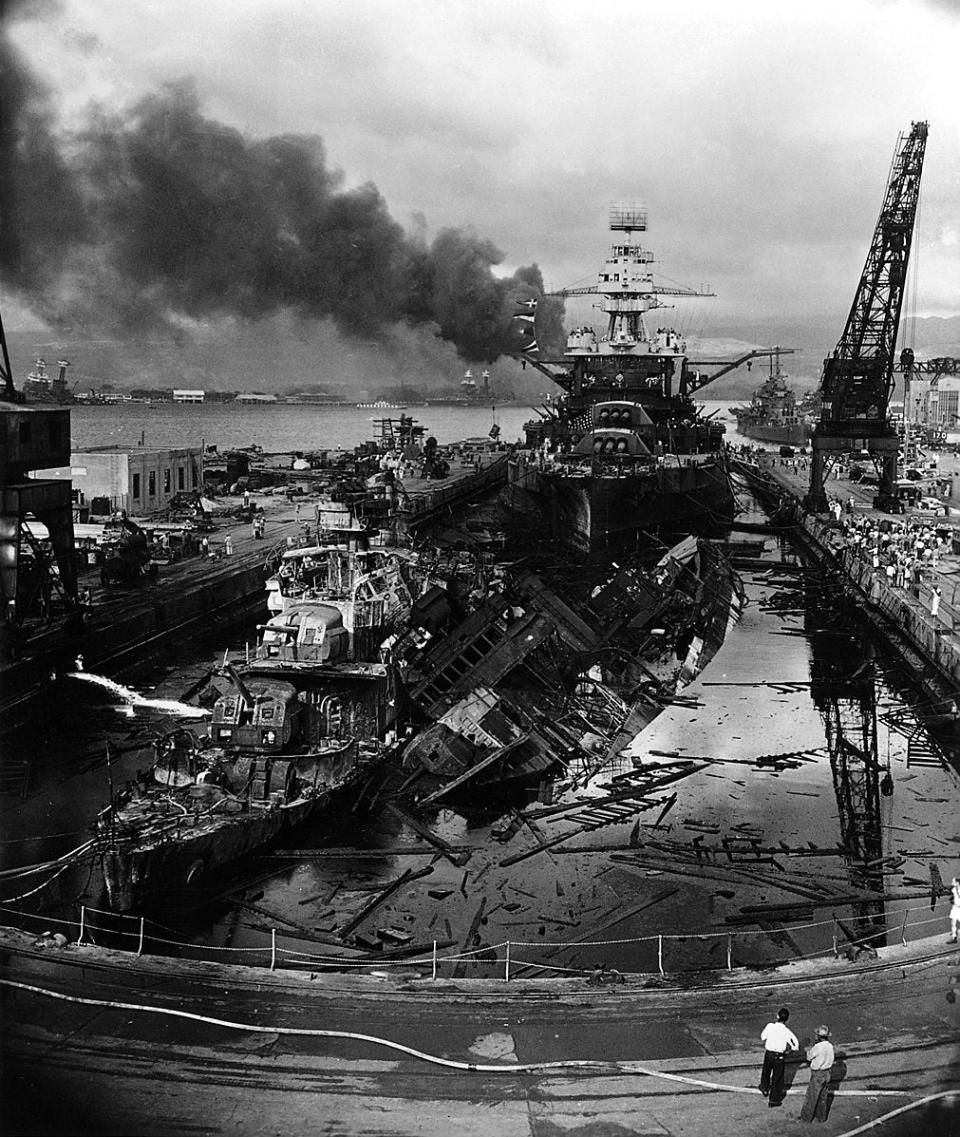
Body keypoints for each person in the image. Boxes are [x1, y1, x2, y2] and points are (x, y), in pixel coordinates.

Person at [759, 1007, 799, 1107]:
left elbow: (763, 1037)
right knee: (777, 1078)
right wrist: (787, 1052)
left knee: (766, 1071)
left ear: (777, 1016)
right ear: (787, 1019)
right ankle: (773, 1100)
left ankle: (764, 1088)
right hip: (779, 1056)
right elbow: (795, 1045)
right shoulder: (787, 1032)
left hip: (769, 1054)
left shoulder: (770, 1026)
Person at [799, 1025, 835, 1123]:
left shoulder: (817, 1047)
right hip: (827, 1072)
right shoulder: (830, 1046)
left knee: (812, 1096)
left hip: (817, 1073)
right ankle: (821, 1117)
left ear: (818, 1037)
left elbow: (809, 1057)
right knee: (823, 1096)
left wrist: (808, 1051)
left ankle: (806, 1118)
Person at [949, 877, 960, 943]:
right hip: (955, 907)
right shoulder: (953, 889)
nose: (952, 883)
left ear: (957, 883)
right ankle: (954, 937)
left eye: (953, 881)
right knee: (953, 922)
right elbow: (952, 897)